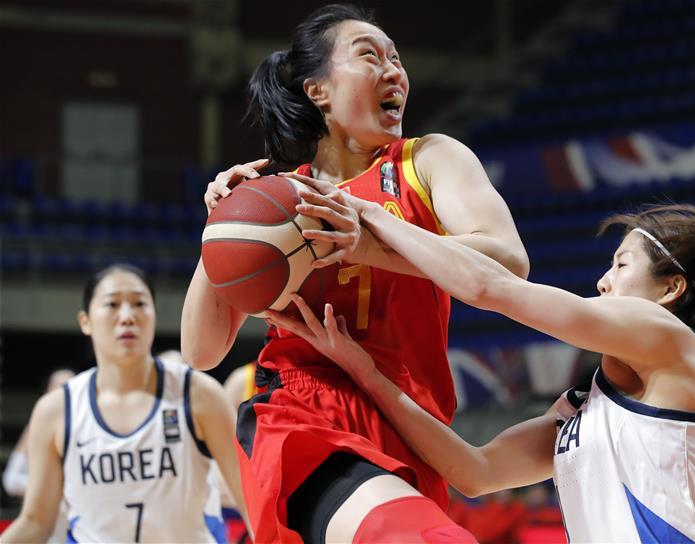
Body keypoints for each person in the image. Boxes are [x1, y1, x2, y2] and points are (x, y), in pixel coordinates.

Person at [180, 4, 528, 543]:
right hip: (301, 412)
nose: (394, 70)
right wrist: (221, 232)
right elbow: (200, 352)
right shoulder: (277, 202)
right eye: (370, 55)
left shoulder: (429, 160)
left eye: (397, 58)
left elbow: (507, 263)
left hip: (413, 423)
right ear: (317, 90)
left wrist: (365, 244)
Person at [267, 196, 695, 543]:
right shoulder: (580, 408)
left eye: (620, 265)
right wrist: (367, 373)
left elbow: (492, 289)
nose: (603, 281)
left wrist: (370, 216)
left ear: (670, 290)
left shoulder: (669, 338)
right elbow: (475, 472)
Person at [1, 264, 249, 543]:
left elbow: (250, 502)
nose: (128, 316)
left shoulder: (199, 394)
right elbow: (35, 522)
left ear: (155, 315)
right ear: (85, 321)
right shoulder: (55, 410)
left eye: (140, 303)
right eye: (113, 304)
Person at [2, 368, 75, 543]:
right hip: (44, 524)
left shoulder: (86, 426)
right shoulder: (35, 428)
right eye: (59, 387)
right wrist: (49, 491)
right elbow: (11, 480)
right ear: (48, 392)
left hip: (79, 525)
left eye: (69, 387)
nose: (63, 394)